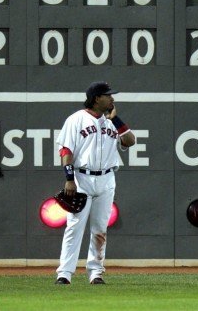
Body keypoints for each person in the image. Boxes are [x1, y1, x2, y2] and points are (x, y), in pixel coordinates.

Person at [55, 81, 136, 285]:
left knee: (100, 228)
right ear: (96, 98)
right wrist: (69, 179)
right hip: (81, 178)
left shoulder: (112, 122)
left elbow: (130, 141)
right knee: (74, 226)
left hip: (107, 178)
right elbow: (66, 151)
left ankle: (96, 272)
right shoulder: (76, 120)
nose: (112, 99)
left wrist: (116, 119)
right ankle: (64, 273)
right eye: (108, 95)